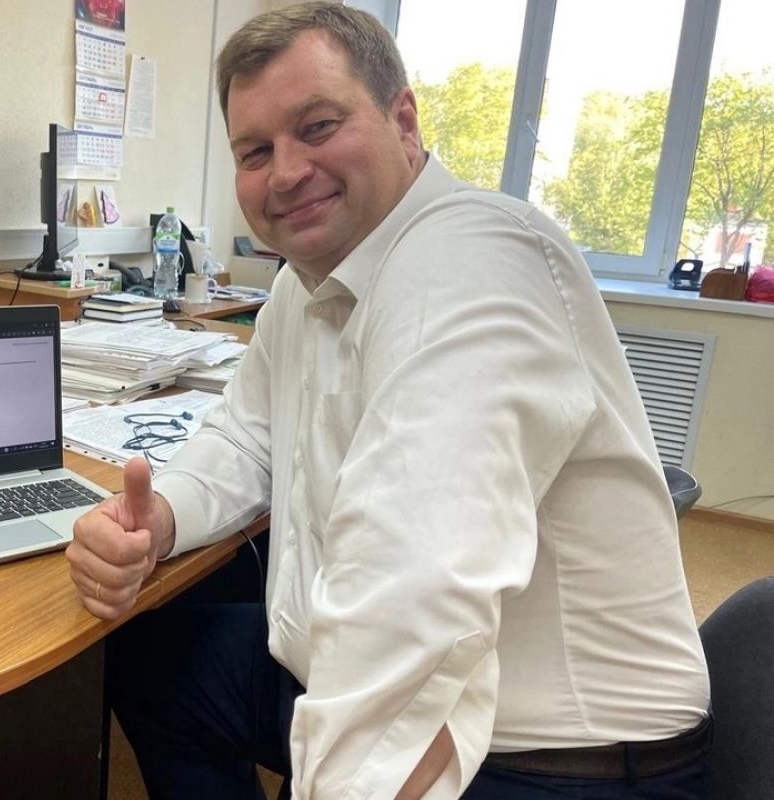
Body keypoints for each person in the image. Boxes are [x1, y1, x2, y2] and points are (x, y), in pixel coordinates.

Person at [65, 3, 711, 798]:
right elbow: (243, 439)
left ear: (403, 121)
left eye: (318, 126)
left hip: (553, 758)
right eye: (255, 151)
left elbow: (412, 592)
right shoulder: (304, 288)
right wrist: (160, 518)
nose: (286, 172)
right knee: (149, 656)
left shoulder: (473, 256)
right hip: (350, 673)